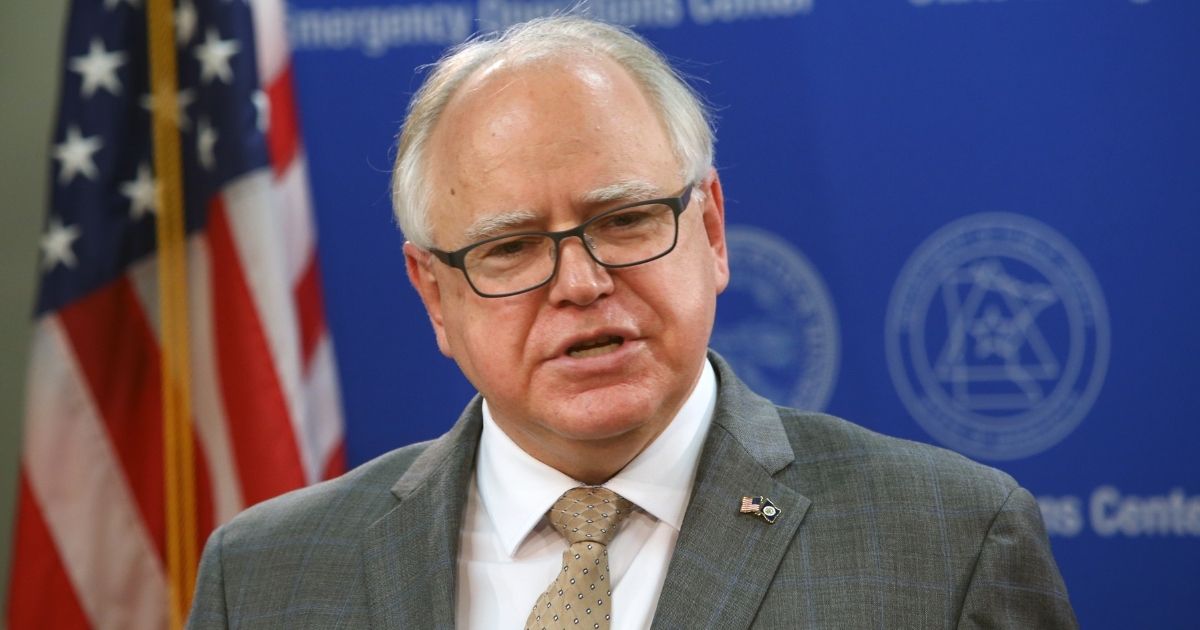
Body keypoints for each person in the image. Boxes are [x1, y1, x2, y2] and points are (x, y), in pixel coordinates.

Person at [188, 15, 1077, 629]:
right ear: (434, 296)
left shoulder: (948, 543)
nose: (579, 282)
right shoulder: (267, 577)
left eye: (623, 221)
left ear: (713, 231)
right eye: (508, 248)